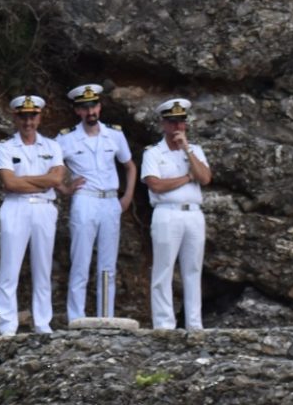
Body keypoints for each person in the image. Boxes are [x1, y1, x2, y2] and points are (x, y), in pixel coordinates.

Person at [57, 83, 136, 321]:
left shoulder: (114, 134)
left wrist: (128, 196)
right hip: (85, 200)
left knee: (108, 265)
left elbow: (130, 166)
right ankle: (76, 318)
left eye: (94, 106)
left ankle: (106, 317)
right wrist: (64, 188)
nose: (91, 112)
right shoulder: (66, 138)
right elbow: (50, 167)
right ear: (77, 111)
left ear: (100, 107)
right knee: (80, 260)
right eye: (85, 108)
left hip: (110, 201)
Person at [0, 94, 67, 337]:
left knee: (43, 267)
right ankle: (7, 325)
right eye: (23, 116)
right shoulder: (5, 147)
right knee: (9, 267)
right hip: (16, 207)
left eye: (32, 116)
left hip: (44, 208)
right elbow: (9, 183)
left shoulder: (52, 146)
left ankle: (43, 322)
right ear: (16, 117)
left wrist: (25, 180)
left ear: (39, 117)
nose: (28, 122)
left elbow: (57, 179)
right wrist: (41, 182)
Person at [141, 98, 212, 331]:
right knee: (164, 269)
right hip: (166, 212)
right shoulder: (153, 152)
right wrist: (186, 178)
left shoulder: (195, 151)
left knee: (193, 269)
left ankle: (194, 323)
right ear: (163, 124)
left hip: (193, 213)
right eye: (173, 122)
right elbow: (156, 185)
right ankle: (163, 323)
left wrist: (187, 150)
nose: (177, 127)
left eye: (181, 122)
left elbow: (205, 178)